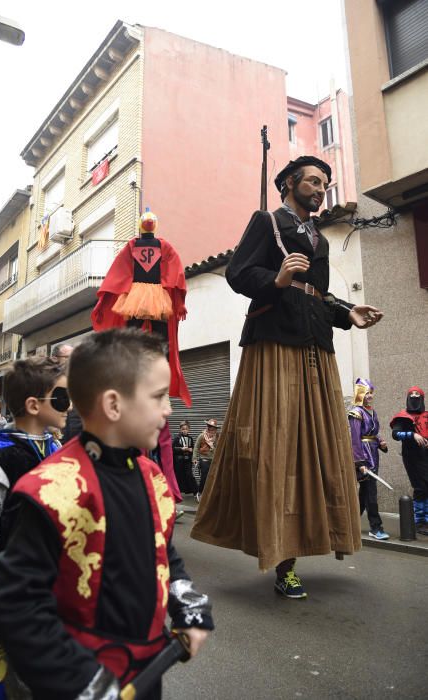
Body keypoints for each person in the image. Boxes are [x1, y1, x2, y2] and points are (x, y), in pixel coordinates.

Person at [191, 155, 384, 599]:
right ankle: (281, 558)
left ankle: (304, 542)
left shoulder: (319, 238)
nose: (321, 189)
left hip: (316, 342)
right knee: (278, 445)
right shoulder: (266, 221)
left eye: (325, 183)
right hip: (274, 340)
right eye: (313, 181)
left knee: (314, 448)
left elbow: (318, 292)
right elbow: (239, 273)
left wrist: (346, 312)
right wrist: (275, 279)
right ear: (290, 183)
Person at [0, 328, 213, 700]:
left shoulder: (153, 479)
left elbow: (164, 554)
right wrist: (84, 683)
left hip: (146, 673)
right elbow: (19, 607)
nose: (169, 410)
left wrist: (188, 606)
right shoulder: (51, 489)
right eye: (159, 397)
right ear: (113, 405)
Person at [0, 357, 69, 698]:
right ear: (34, 405)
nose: (72, 404)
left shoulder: (56, 449)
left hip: (50, 599)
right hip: (11, 601)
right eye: (63, 397)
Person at [91, 208, 191, 504]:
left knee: (134, 326)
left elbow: (119, 272)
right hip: (157, 295)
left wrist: (112, 292)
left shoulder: (132, 246)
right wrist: (175, 293)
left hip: (136, 294)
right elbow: (176, 271)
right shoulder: (164, 246)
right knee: (157, 330)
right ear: (154, 226)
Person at [348, 378, 389, 540]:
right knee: (370, 491)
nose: (370, 396)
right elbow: (355, 439)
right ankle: (376, 527)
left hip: (374, 454)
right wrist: (360, 463)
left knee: (365, 492)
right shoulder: (356, 413)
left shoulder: (372, 412)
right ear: (360, 394)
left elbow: (374, 432)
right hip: (363, 456)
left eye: (371, 392)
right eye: (366, 393)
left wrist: (381, 443)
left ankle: (350, 525)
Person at [390, 386, 428, 536]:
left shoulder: (426, 415)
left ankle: (426, 519)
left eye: (417, 395)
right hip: (412, 457)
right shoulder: (403, 416)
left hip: (426, 456)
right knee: (420, 487)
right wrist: (412, 435)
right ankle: (419, 521)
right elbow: (395, 434)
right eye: (411, 395)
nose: (414, 397)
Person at [193, 420, 220, 502]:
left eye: (213, 428)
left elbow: (220, 447)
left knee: (214, 478)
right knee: (204, 477)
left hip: (214, 460)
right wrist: (194, 458)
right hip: (204, 459)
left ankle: (211, 495)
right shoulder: (202, 436)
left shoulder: (217, 436)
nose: (211, 429)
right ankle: (200, 493)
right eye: (210, 427)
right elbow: (196, 447)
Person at [172, 421, 195, 495]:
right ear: (180, 429)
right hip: (179, 460)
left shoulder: (190, 438)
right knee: (179, 475)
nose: (184, 430)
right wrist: (181, 449)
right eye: (183, 429)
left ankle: (193, 490)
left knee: (189, 474)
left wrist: (191, 450)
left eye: (186, 429)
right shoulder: (177, 438)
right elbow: (172, 449)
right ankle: (177, 491)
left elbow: (193, 448)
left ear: (189, 430)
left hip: (187, 460)